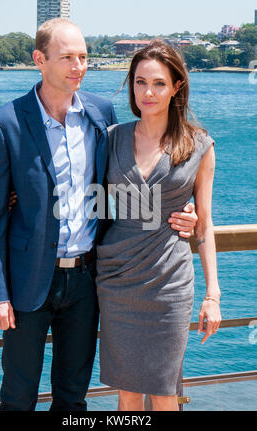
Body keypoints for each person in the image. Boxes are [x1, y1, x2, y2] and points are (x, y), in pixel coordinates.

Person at [0, 20, 198, 411]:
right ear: (40, 60)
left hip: (89, 280)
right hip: (27, 284)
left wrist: (181, 212)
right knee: (18, 396)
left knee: (73, 397)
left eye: (84, 57)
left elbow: (127, 183)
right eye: (67, 57)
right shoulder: (4, 123)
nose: (78, 66)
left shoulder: (100, 113)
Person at [96, 40, 222, 411]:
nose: (147, 92)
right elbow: (88, 197)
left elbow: (205, 226)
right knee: (128, 393)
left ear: (177, 87)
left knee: (166, 390)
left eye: (159, 83)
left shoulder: (200, 145)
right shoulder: (112, 137)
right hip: (118, 279)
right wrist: (18, 198)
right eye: (139, 82)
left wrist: (212, 296)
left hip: (170, 282)